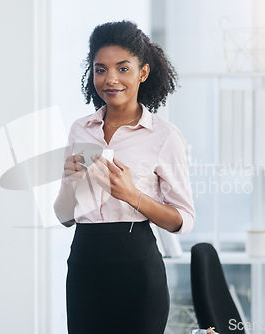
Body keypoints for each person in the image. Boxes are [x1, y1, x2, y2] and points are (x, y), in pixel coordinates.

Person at [53, 20, 195, 334]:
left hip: (137, 268)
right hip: (83, 264)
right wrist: (68, 182)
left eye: (123, 68)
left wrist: (133, 196)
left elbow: (183, 220)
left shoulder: (164, 136)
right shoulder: (80, 128)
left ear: (143, 72)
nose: (110, 79)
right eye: (100, 69)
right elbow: (64, 217)